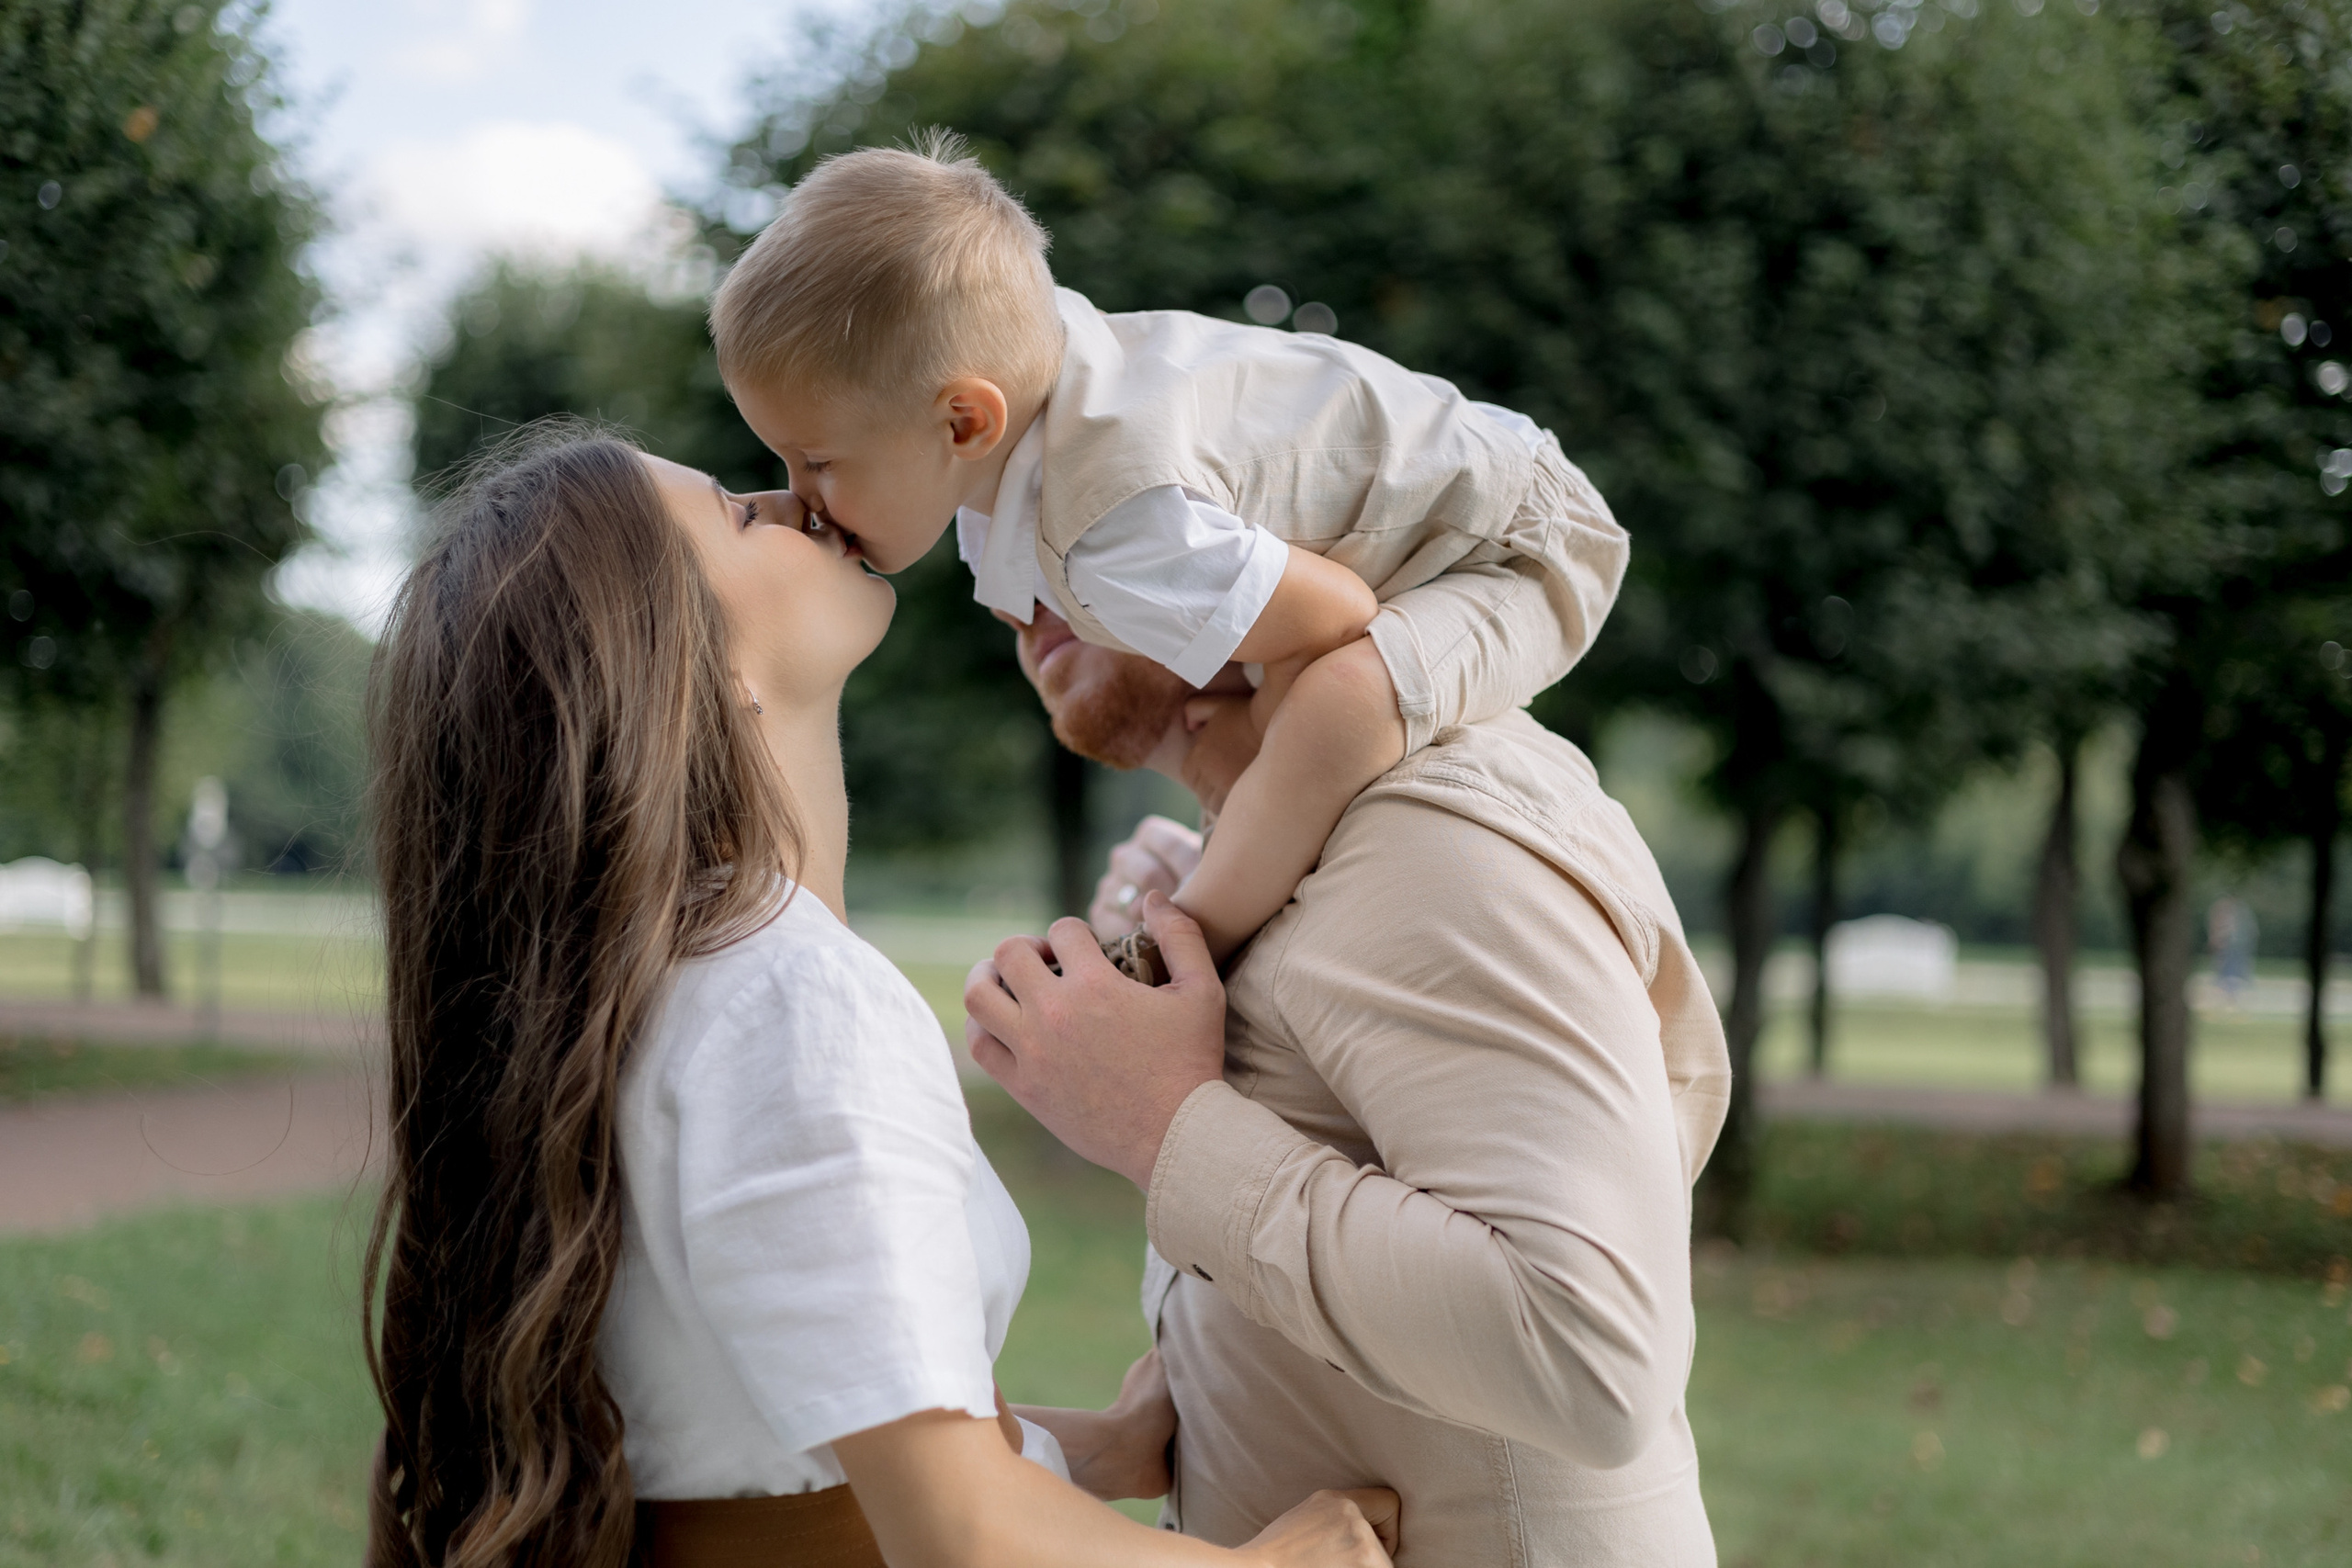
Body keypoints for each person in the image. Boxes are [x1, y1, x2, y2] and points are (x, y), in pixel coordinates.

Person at [362, 425, 1397, 1568]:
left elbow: (744, 1446)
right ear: (695, 670)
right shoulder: (791, 999)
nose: (796, 500)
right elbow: (957, 1534)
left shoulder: (666, 989)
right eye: (739, 515)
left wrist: (1094, 1452)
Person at [707, 135, 1629, 974]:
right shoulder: (1041, 385)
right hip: (1462, 493)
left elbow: (1340, 613)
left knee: (1343, 701)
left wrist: (1261, 729)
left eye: (817, 460)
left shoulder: (1107, 522)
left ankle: (1185, 945)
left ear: (964, 420)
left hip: (1514, 544)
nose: (798, 494)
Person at [962, 602, 1733, 1565]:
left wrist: (1160, 1126)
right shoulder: (1279, 855)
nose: (1007, 593)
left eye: (1066, 510)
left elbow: (1594, 1360)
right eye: (980, 540)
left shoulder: (1425, 836)